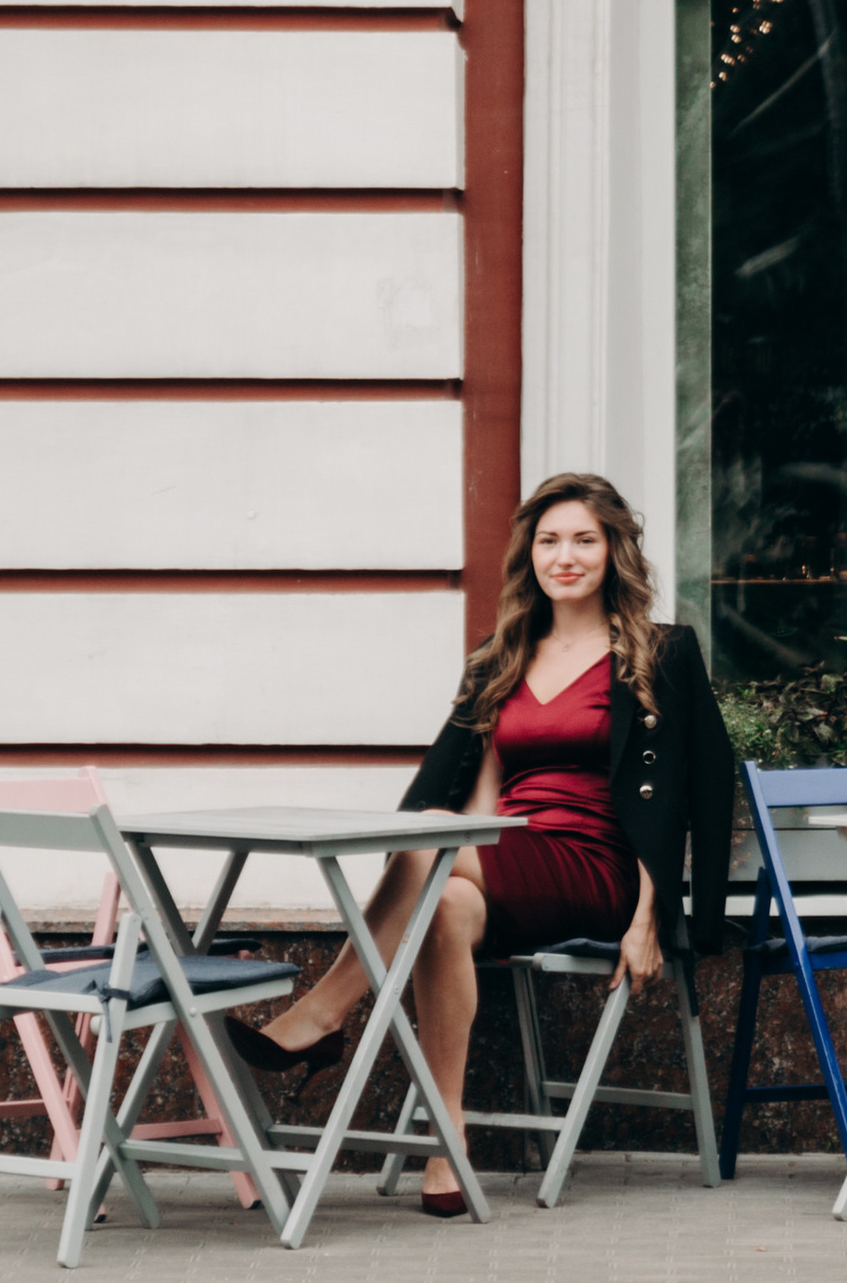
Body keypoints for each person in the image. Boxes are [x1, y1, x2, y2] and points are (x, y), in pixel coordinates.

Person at [227, 472, 738, 1215]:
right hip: (508, 856)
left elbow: (693, 794)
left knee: (434, 847)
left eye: (585, 540)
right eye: (549, 540)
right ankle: (447, 1143)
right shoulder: (501, 656)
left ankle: (324, 1013)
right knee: (445, 906)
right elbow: (480, 796)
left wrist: (650, 919)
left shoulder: (663, 653)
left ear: (615, 550)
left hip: (599, 865)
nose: (565, 556)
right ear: (529, 554)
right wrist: (451, 846)